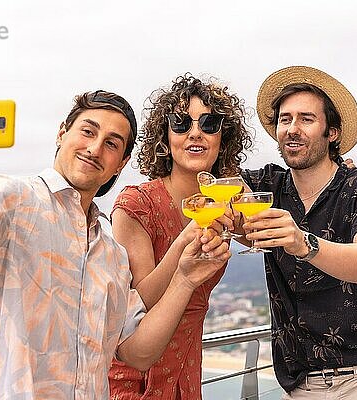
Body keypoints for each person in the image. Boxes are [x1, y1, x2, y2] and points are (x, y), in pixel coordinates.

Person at [0, 90, 231, 399]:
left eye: (111, 144)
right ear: (62, 133)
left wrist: (185, 279)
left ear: (121, 163)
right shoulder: (12, 199)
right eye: (87, 132)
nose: (94, 148)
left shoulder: (111, 254)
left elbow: (137, 352)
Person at [237, 66, 357, 399]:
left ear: (332, 132)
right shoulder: (266, 186)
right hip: (299, 385)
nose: (292, 129)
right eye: (284, 119)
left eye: (306, 119)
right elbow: (210, 178)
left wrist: (302, 242)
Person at [108, 74, 253, 399]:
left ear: (223, 137)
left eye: (209, 123)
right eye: (181, 123)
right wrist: (185, 242)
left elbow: (264, 239)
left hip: (188, 369)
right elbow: (138, 301)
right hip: (137, 373)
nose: (195, 133)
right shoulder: (137, 205)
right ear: (165, 136)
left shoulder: (227, 197)